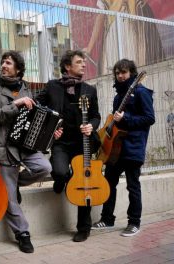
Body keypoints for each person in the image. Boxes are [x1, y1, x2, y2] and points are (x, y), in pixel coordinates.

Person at [0, 50, 52, 253]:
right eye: (3, 62)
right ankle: (23, 234)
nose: (4, 65)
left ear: (18, 69)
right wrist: (15, 104)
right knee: (10, 199)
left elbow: (34, 117)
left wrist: (51, 130)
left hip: (24, 145)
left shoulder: (25, 87)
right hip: (2, 147)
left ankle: (11, 186)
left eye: (9, 63)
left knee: (44, 167)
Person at [35, 50, 101, 242]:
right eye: (79, 62)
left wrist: (92, 126)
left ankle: (84, 227)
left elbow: (96, 115)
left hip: (83, 143)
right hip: (61, 143)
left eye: (83, 62)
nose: (83, 65)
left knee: (84, 182)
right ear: (67, 67)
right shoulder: (52, 87)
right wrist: (50, 129)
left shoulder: (90, 90)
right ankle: (62, 179)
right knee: (61, 172)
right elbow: (39, 107)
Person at [92, 59, 155, 236]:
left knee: (132, 186)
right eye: (118, 73)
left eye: (124, 72)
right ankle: (107, 219)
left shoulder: (141, 92)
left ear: (132, 73)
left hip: (133, 147)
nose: (120, 76)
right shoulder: (119, 96)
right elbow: (115, 121)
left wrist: (126, 118)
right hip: (115, 149)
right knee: (108, 183)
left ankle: (134, 222)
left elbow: (149, 118)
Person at [83, 0, 164, 76]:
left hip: (136, 26)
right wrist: (90, 47)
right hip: (115, 30)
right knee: (114, 65)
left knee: (136, 66)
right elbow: (100, 16)